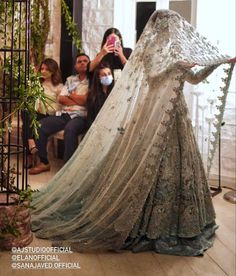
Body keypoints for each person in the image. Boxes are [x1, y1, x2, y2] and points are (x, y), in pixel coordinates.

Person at [31, 10, 235, 256]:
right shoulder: (149, 52)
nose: (172, 31)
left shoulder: (178, 51)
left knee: (178, 165)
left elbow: (193, 78)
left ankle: (180, 220)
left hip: (177, 117)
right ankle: (145, 218)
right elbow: (153, 76)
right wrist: (176, 66)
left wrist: (217, 64)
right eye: (169, 27)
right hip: (154, 115)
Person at [28, 53, 90, 174]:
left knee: (70, 129)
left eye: (85, 61)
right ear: (75, 66)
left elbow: (86, 101)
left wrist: (71, 96)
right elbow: (61, 99)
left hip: (81, 116)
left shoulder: (92, 81)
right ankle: (44, 162)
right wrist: (79, 99)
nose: (82, 63)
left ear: (89, 63)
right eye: (79, 61)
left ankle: (68, 169)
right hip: (65, 114)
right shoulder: (70, 79)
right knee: (39, 125)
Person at [21, 58, 63, 168]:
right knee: (26, 113)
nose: (43, 71)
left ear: (53, 70)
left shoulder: (59, 87)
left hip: (49, 114)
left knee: (28, 119)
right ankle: (31, 143)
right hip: (35, 113)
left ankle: (29, 155)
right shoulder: (38, 83)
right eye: (42, 68)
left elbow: (58, 106)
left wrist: (44, 109)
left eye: (46, 69)